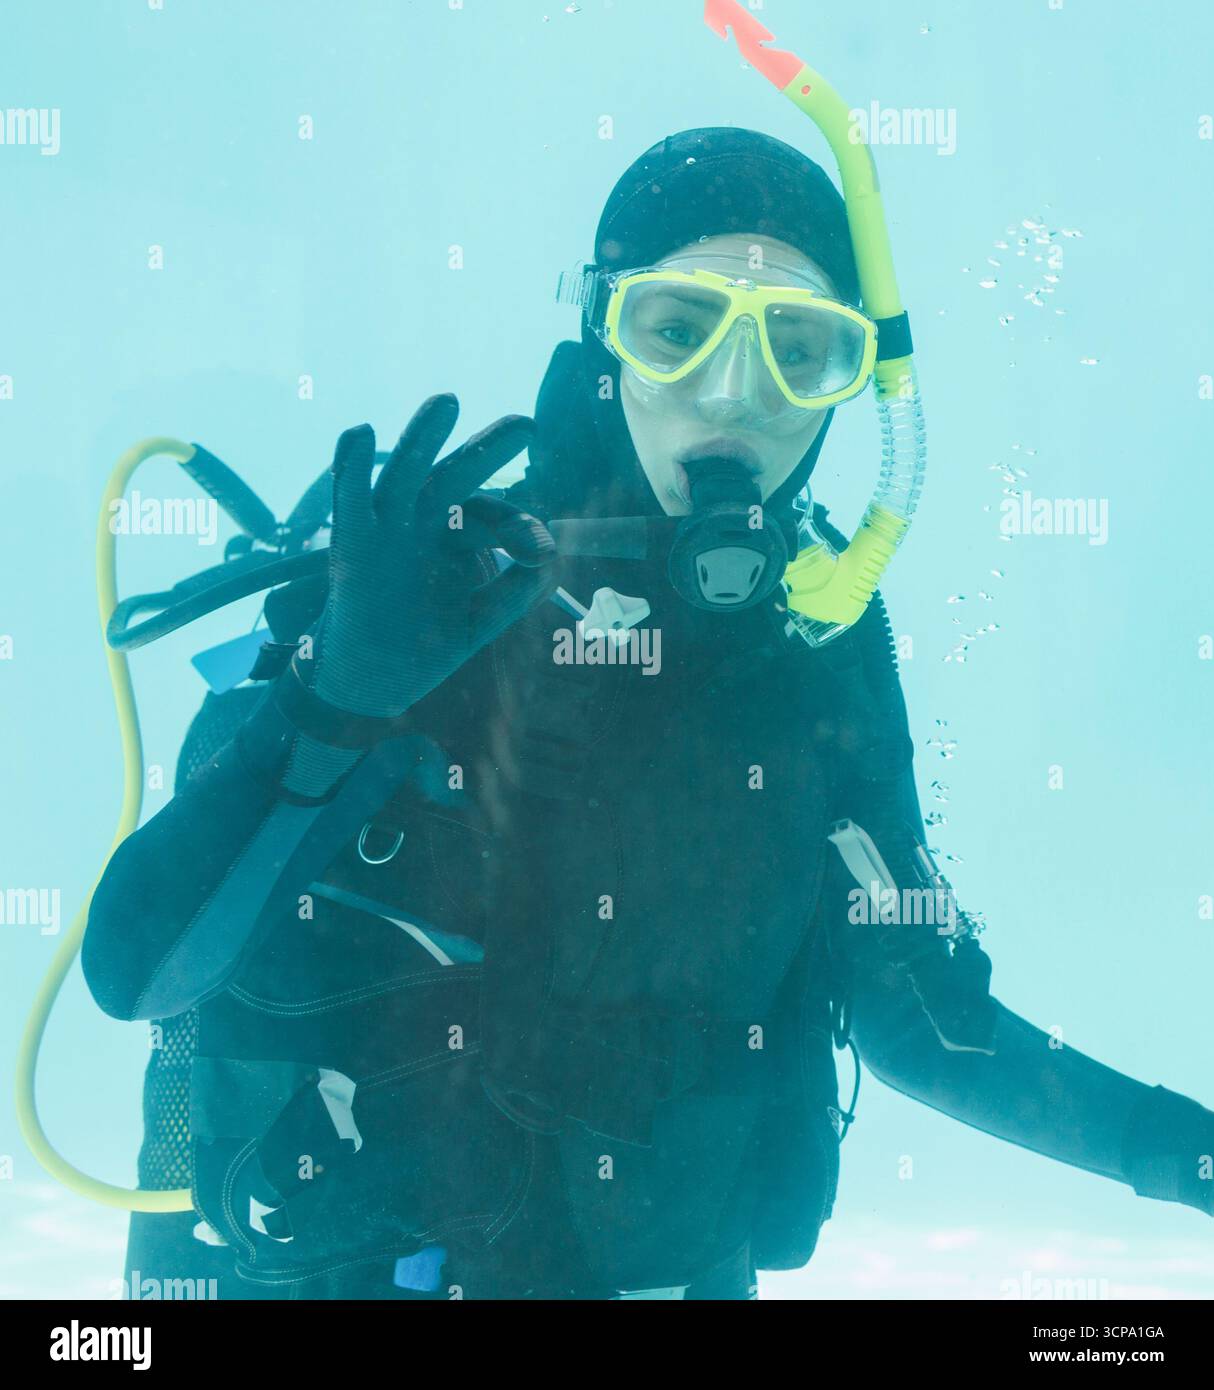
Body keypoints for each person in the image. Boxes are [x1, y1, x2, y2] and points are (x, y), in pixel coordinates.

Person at [83, 128, 1214, 1301]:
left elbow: (923, 1019)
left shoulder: (820, 648)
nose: (735, 394)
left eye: (800, 350)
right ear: (602, 342)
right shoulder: (428, 596)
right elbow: (137, 974)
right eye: (676, 330)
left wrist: (1187, 1153)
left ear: (851, 383)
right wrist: (326, 711)